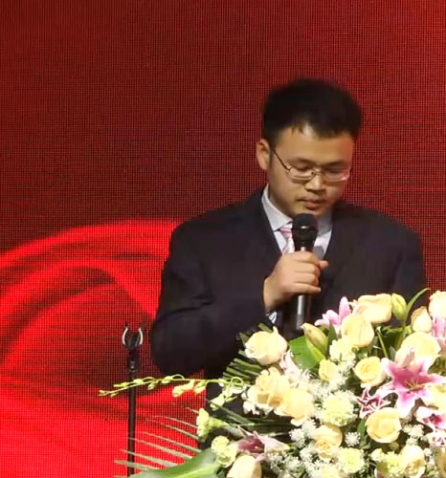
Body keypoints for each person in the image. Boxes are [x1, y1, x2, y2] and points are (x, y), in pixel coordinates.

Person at [150, 78, 427, 403]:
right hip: (238, 432)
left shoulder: (390, 245)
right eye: (301, 168)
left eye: (335, 170)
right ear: (264, 154)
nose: (317, 185)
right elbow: (171, 352)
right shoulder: (204, 240)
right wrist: (265, 295)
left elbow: (413, 356)